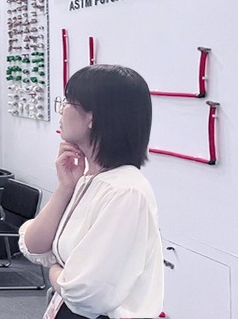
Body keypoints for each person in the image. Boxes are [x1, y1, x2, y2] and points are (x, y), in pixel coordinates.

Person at [18, 64, 164, 319]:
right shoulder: (90, 179)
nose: (61, 110)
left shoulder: (126, 192)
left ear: (92, 118)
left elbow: (85, 293)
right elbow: (34, 246)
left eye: (67, 102)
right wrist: (66, 187)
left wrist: (55, 272)